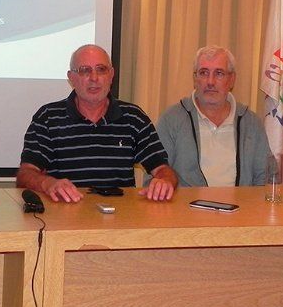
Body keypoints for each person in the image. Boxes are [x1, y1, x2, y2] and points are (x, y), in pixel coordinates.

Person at [16, 44, 177, 203]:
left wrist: (165, 181)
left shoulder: (134, 117)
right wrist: (48, 183)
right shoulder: (48, 118)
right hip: (65, 213)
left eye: (101, 69)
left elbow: (163, 169)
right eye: (85, 70)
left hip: (121, 215)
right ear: (71, 78)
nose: (94, 78)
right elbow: (26, 174)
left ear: (111, 75)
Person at [156, 45, 271, 187]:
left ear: (232, 80)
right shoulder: (171, 120)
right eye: (204, 73)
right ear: (195, 78)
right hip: (187, 202)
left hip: (241, 202)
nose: (210, 82)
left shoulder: (251, 124)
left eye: (219, 73)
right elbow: (156, 176)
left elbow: (265, 179)